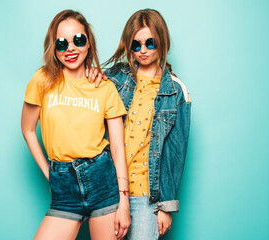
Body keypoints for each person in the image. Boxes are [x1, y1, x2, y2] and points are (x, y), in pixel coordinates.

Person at [21, 10, 130, 240]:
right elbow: (28, 129)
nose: (70, 48)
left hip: (103, 182)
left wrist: (124, 201)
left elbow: (118, 148)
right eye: (62, 43)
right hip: (64, 187)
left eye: (78, 40)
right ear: (54, 47)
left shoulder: (105, 87)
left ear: (88, 42)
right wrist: (49, 175)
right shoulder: (42, 80)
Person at [88, 9, 191, 240]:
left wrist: (166, 206)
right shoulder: (114, 78)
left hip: (147, 198)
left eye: (150, 43)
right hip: (108, 191)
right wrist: (92, 73)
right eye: (136, 45)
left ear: (161, 41)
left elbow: (175, 154)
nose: (143, 50)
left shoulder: (176, 92)